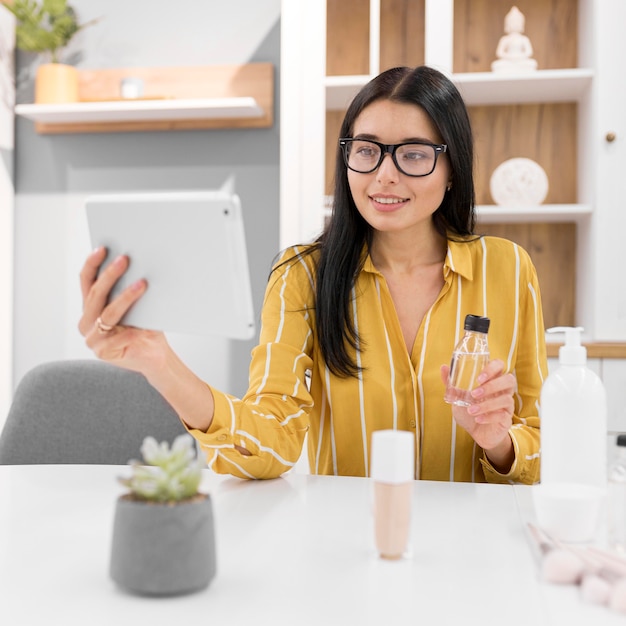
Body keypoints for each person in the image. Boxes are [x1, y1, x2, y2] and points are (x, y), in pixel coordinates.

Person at [79, 65, 547, 483]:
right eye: (367, 151)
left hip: (473, 548)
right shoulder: (301, 275)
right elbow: (271, 442)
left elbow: (543, 444)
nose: (384, 175)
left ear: (451, 170)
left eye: (414, 154)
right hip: (349, 545)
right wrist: (161, 365)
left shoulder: (508, 268)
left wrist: (498, 442)